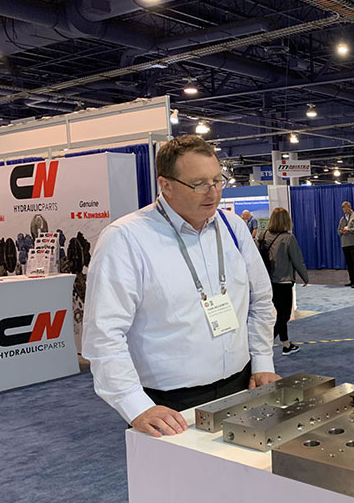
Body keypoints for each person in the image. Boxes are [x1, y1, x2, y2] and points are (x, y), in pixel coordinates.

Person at [83, 135, 279, 438]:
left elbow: (260, 300)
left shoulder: (233, 227)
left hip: (242, 383)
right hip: (169, 402)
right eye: (199, 184)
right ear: (166, 185)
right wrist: (135, 405)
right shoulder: (126, 238)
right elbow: (104, 334)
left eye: (217, 180)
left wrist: (262, 362)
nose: (213, 193)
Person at [259, 207, 309, 355]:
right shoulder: (288, 238)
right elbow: (297, 260)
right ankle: (264, 346)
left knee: (278, 314)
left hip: (267, 282)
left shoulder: (263, 235)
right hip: (283, 282)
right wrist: (305, 277)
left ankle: (286, 344)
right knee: (284, 316)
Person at [337, 201, 354, 288]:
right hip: (345, 244)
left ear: (349, 207)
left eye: (346, 208)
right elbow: (338, 231)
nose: (345, 210)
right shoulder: (342, 219)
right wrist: (342, 231)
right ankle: (352, 281)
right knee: (349, 263)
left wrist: (349, 230)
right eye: (344, 209)